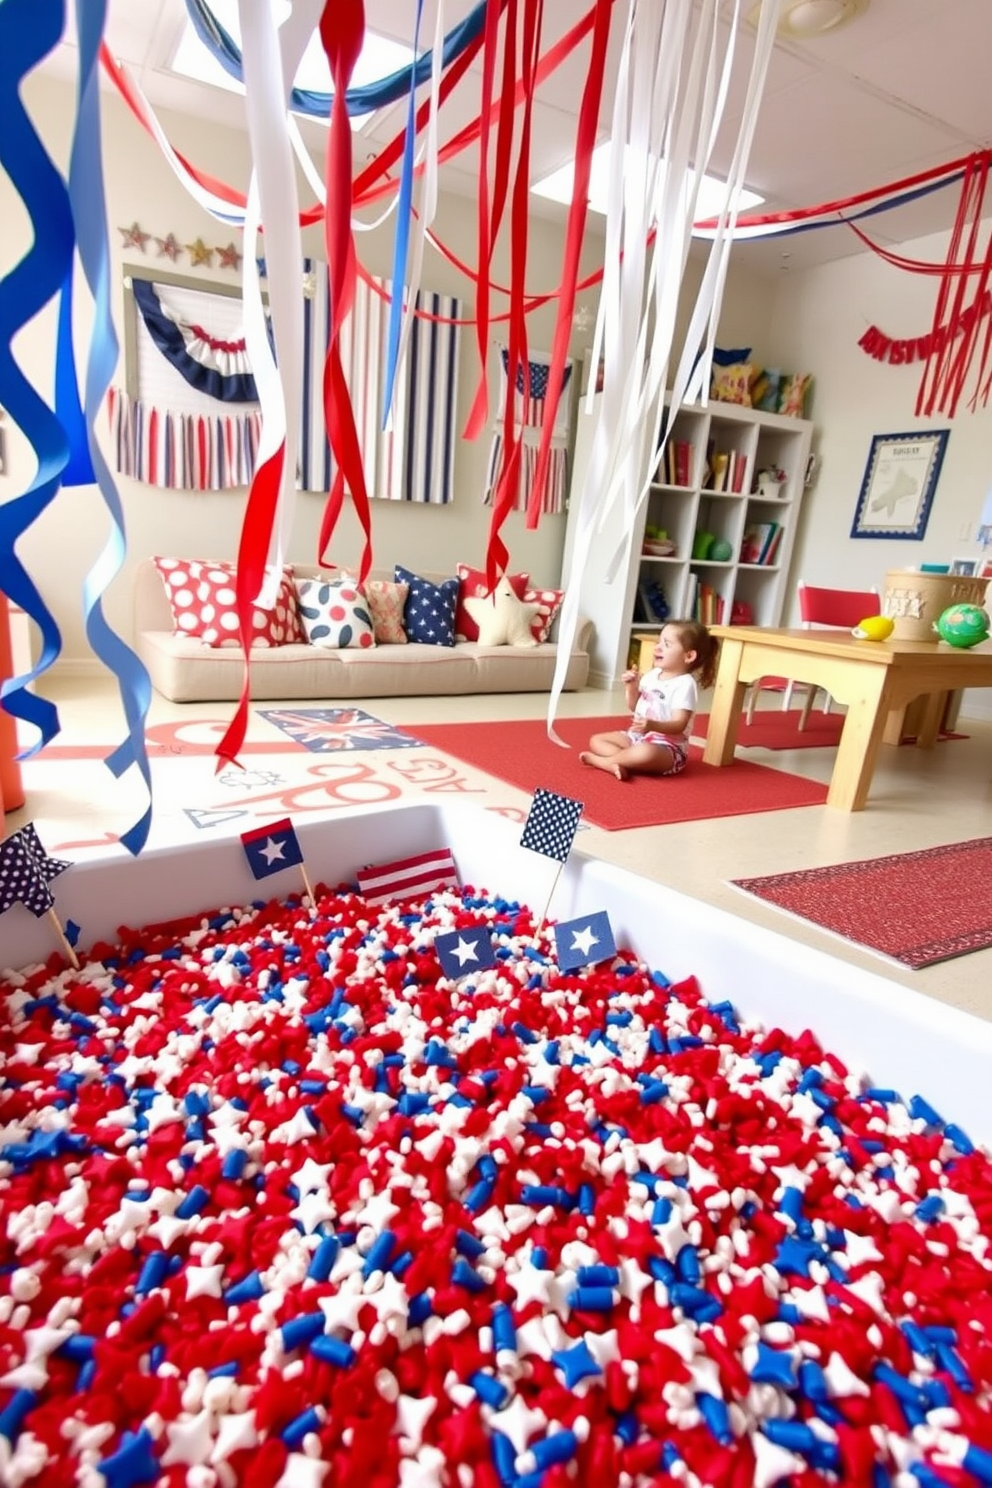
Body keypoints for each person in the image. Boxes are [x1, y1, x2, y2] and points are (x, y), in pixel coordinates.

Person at [580, 619, 718, 782]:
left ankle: (605, 762)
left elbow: (679, 724)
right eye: (659, 641)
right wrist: (631, 686)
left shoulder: (684, 684)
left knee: (646, 753)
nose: (657, 647)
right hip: (637, 738)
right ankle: (623, 761)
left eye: (666, 644)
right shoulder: (652, 675)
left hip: (667, 748)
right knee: (596, 740)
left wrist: (652, 726)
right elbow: (633, 706)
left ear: (689, 656)